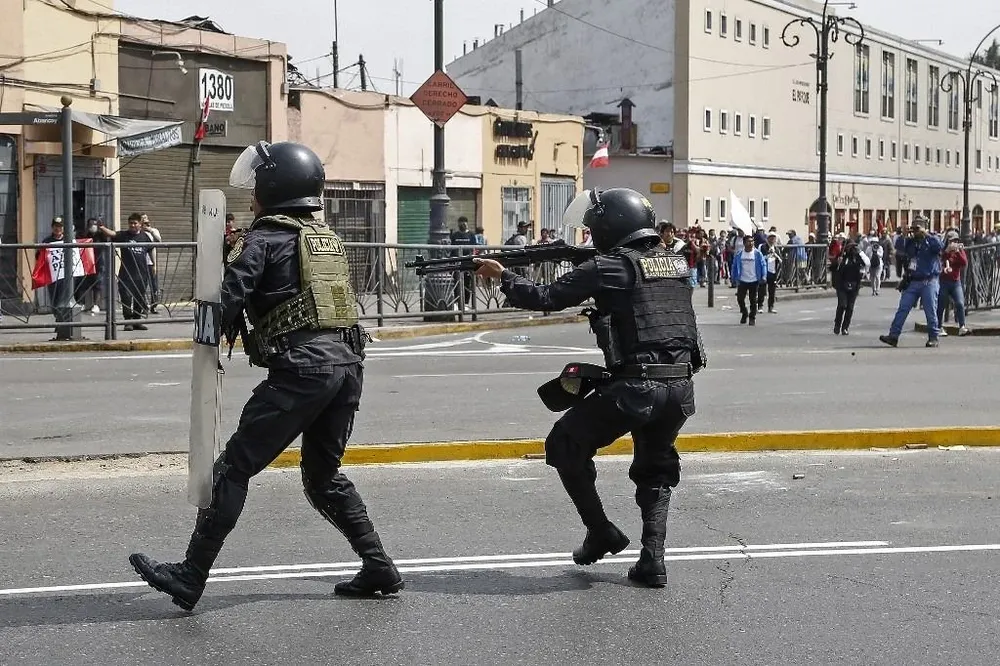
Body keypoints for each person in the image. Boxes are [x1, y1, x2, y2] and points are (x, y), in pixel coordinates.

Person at [128, 140, 402, 611]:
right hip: (347, 367)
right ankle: (378, 565)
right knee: (322, 476)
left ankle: (191, 575)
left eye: (256, 185)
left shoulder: (262, 239)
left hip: (302, 372)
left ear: (273, 188)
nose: (251, 194)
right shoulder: (322, 238)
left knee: (233, 468)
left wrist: (210, 283)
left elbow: (218, 313)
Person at [474, 187, 706, 589]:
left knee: (565, 444)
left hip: (638, 388)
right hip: (680, 388)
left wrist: (503, 276)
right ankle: (653, 560)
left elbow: (545, 296)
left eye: (593, 226)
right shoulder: (674, 263)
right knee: (656, 469)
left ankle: (600, 531)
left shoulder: (609, 266)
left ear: (609, 225)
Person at [880, 218, 943, 348]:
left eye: (917, 229)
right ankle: (893, 336)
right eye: (914, 229)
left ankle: (933, 337)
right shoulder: (911, 243)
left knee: (930, 310)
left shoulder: (931, 240)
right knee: (903, 308)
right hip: (913, 280)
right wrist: (903, 234)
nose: (915, 232)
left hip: (929, 280)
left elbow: (939, 247)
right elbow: (899, 249)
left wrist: (926, 235)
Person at [97, 213, 153, 331]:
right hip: (126, 274)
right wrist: (102, 228)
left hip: (142, 274)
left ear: (140, 224)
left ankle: (137, 321)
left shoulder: (145, 237)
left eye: (135, 223)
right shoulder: (124, 235)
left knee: (140, 298)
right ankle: (128, 322)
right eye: (130, 223)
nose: (132, 225)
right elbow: (112, 233)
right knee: (126, 298)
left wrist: (154, 265)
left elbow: (151, 250)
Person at [831, 240, 868, 336]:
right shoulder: (842, 257)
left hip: (854, 284)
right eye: (850, 247)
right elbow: (832, 268)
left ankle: (845, 327)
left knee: (850, 308)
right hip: (842, 285)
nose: (851, 249)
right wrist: (836, 262)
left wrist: (860, 252)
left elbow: (867, 263)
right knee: (842, 305)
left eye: (853, 247)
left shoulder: (857, 257)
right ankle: (837, 325)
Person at [937, 231, 970, 336]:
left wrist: (958, 252)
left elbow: (964, 262)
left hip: (956, 282)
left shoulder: (959, 251)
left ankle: (962, 326)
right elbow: (938, 262)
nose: (953, 243)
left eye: (956, 241)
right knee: (941, 304)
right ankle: (938, 327)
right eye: (951, 241)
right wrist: (946, 252)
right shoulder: (942, 251)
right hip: (943, 282)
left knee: (960, 303)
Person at [730, 234, 767, 325]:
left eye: (752, 241)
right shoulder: (739, 254)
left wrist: (763, 276)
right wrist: (733, 277)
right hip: (742, 279)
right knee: (740, 299)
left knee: (753, 300)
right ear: (744, 243)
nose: (751, 243)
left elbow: (763, 265)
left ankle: (752, 317)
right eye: (748, 241)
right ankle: (744, 312)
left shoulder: (757, 254)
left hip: (754, 280)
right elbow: (734, 266)